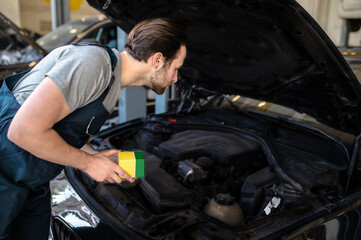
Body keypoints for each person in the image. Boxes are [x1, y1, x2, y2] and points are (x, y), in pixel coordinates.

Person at [0, 17, 187, 240]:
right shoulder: (93, 64)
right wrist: (89, 163)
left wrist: (94, 155)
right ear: (157, 60)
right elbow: (22, 130)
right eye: (176, 68)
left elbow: (60, 126)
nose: (176, 78)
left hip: (30, 180)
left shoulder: (111, 83)